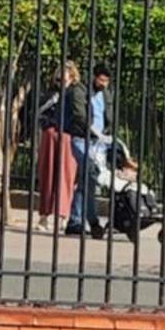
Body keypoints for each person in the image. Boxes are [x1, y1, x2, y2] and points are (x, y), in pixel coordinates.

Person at [62, 62, 105, 240]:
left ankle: (77, 220)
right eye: (102, 80)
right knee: (90, 172)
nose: (104, 84)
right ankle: (86, 220)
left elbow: (104, 114)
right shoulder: (79, 90)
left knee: (87, 179)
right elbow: (80, 115)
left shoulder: (102, 94)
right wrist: (92, 130)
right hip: (81, 138)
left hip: (96, 141)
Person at [36, 62, 77, 228]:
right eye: (58, 80)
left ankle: (64, 215)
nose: (60, 83)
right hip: (51, 136)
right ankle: (44, 215)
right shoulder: (50, 95)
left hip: (68, 137)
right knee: (48, 175)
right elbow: (40, 113)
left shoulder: (75, 95)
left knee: (66, 176)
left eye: (64, 80)